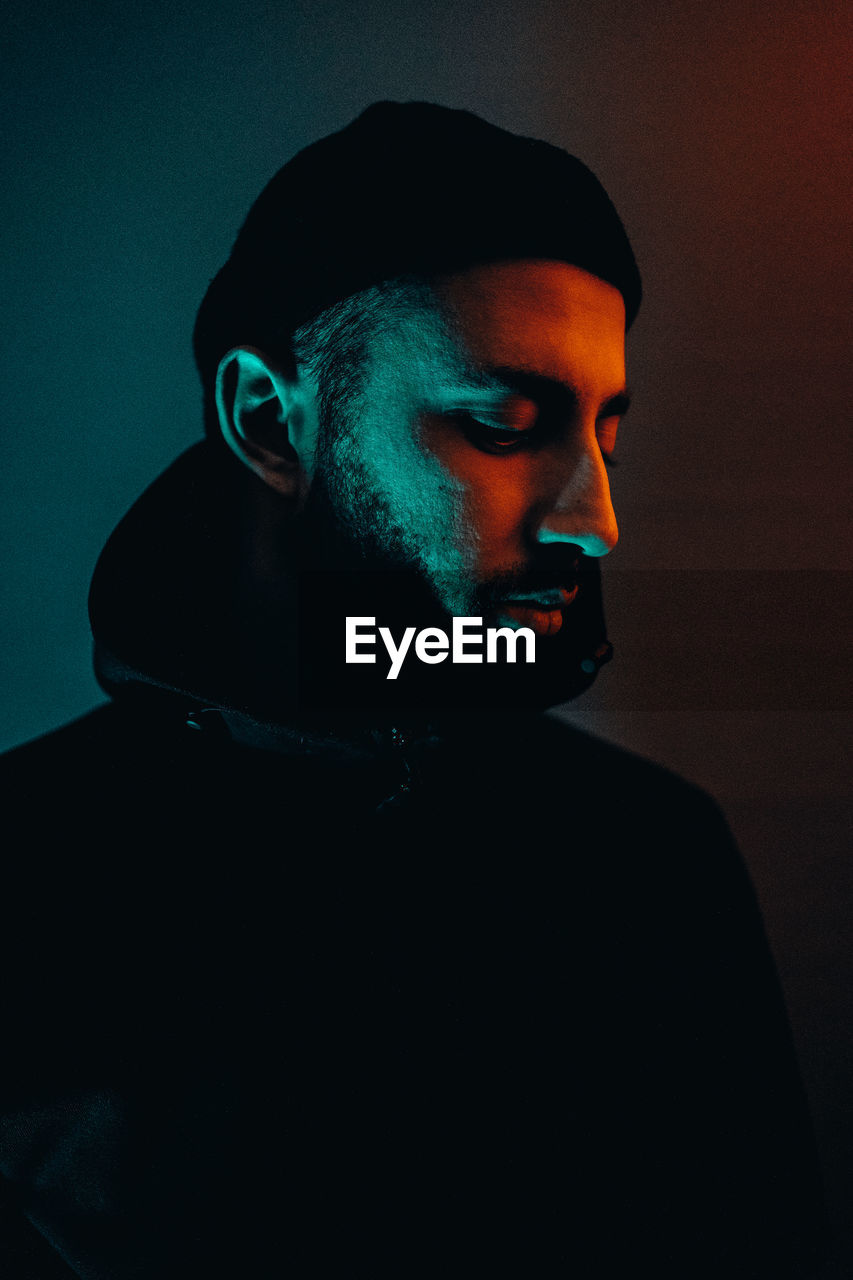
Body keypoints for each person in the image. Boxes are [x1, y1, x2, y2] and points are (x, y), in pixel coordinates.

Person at [0, 102, 824, 1278]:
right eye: (502, 425)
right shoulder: (28, 862)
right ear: (268, 419)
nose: (598, 521)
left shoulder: (651, 855)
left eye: (605, 437)